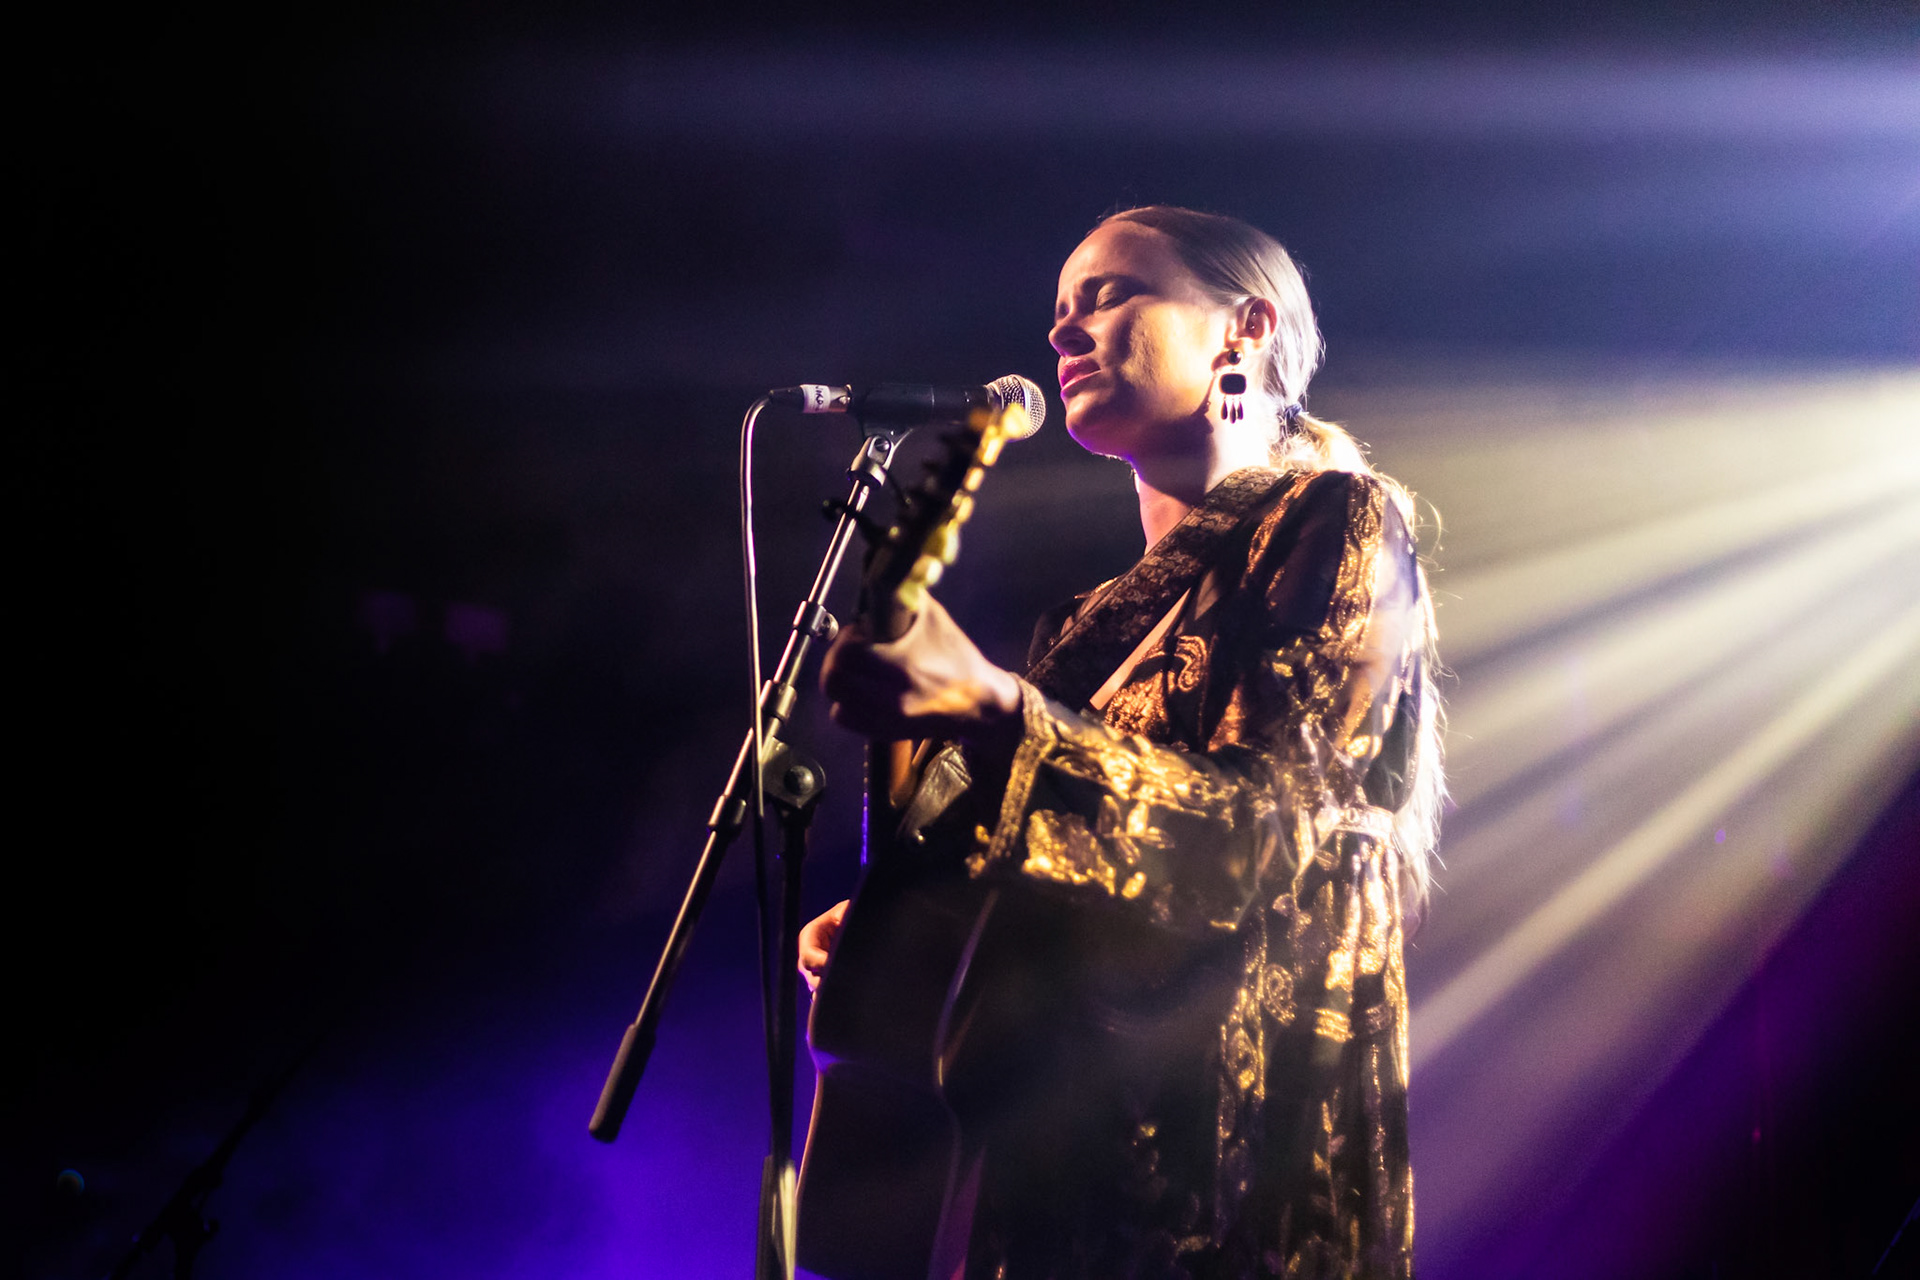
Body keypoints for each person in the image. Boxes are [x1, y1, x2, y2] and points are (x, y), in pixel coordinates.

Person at [801, 205, 1443, 1280]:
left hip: (1238, 1170)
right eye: (1057, 311)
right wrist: (899, 921)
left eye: (1107, 294)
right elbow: (1047, 853)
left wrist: (998, 708)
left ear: (1243, 328)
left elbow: (1259, 835)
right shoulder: (1082, 626)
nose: (1062, 332)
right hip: (1052, 1172)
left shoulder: (1338, 519)